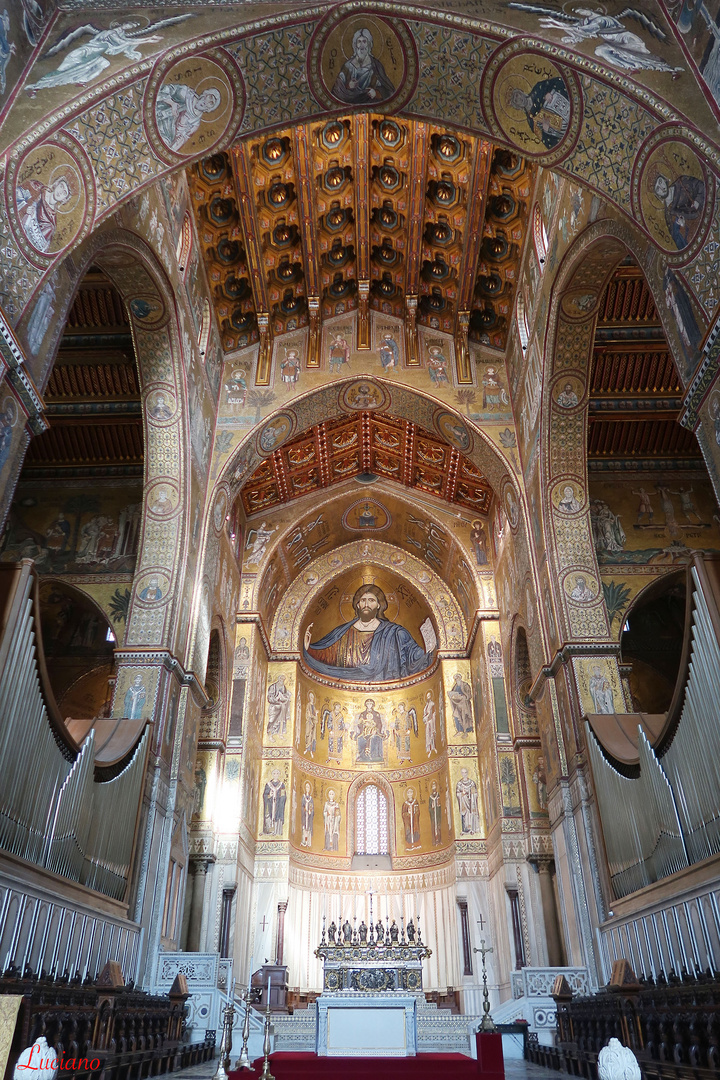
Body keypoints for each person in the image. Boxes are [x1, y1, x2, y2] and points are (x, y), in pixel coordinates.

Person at [303, 584, 434, 681]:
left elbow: (415, 656)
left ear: (378, 605)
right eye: (363, 600)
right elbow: (326, 655)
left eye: (371, 600)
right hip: (346, 684)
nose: (366, 604)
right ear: (357, 605)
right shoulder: (343, 632)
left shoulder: (395, 632)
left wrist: (431, 650)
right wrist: (308, 647)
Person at [330, 27, 395, 104]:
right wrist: (348, 86)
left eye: (364, 41)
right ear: (355, 45)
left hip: (371, 105)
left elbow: (389, 90)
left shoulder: (376, 66)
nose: (361, 45)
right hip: (350, 105)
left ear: (369, 45)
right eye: (359, 41)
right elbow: (336, 90)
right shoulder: (348, 66)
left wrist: (376, 93)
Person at [155, 82, 221, 152]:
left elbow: (182, 139)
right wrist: (172, 103)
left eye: (211, 103)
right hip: (158, 112)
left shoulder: (195, 123)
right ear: (205, 94)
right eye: (209, 97)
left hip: (167, 133)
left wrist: (180, 140)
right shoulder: (187, 94)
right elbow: (164, 90)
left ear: (208, 109)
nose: (206, 102)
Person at [509, 76, 570, 149]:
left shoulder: (538, 89)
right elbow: (546, 141)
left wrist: (550, 92)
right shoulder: (531, 121)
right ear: (517, 106)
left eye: (517, 95)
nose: (519, 99)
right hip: (565, 131)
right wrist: (546, 130)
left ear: (521, 92)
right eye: (516, 100)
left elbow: (558, 81)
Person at [17, 174, 72, 252]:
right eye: (61, 186)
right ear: (56, 183)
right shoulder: (37, 188)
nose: (60, 192)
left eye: (64, 193)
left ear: (64, 200)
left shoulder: (51, 224)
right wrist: (25, 208)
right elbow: (16, 193)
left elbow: (40, 247)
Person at [653, 172, 705, 250]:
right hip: (697, 235)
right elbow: (678, 240)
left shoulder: (681, 183)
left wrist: (697, 200)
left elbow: (701, 185)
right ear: (657, 195)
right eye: (657, 189)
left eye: (660, 182)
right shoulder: (668, 214)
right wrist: (683, 226)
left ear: (665, 179)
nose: (661, 188)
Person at [456, 768, 480, 833]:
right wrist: (462, 794)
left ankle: (472, 828)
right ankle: (465, 829)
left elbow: (475, 793)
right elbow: (457, 794)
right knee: (465, 815)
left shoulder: (471, 783)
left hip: (471, 802)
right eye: (463, 773)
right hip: (463, 802)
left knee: (471, 813)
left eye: (465, 772)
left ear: (467, 773)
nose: (464, 774)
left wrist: (471, 794)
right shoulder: (459, 784)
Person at [263, 769, 286, 835]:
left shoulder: (281, 785)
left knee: (277, 816)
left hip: (278, 805)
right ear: (272, 775)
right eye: (274, 773)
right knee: (269, 815)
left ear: (279, 775)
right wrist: (269, 795)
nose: (276, 775)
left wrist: (281, 798)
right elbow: (264, 795)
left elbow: (283, 796)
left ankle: (276, 831)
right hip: (270, 804)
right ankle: (269, 830)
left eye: (277, 773)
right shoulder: (268, 785)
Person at [423, 691, 437, 757]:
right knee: (428, 736)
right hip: (427, 723)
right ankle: (429, 749)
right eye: (427, 696)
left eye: (429, 696)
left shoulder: (432, 704)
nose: (428, 697)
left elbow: (432, 713)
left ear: (431, 696)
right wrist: (424, 718)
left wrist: (427, 717)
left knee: (432, 735)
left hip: (431, 721)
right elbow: (425, 713)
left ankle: (433, 748)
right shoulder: (426, 705)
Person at [428, 780, 442, 846]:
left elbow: (440, 804)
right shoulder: (430, 797)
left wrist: (438, 805)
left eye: (435, 786)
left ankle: (439, 840)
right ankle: (434, 841)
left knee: (439, 826)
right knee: (434, 827)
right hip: (433, 815)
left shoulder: (438, 794)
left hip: (438, 814)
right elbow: (429, 807)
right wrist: (432, 807)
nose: (434, 787)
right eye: (433, 786)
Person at [301, 782, 314, 847]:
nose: (307, 788)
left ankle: (308, 842)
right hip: (304, 815)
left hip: (308, 816)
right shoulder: (303, 797)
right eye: (306, 787)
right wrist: (304, 809)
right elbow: (301, 805)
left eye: (308, 787)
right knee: (304, 829)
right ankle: (303, 841)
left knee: (308, 828)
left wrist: (310, 811)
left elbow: (312, 807)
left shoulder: (311, 799)